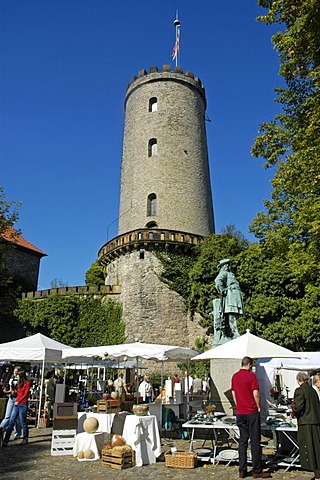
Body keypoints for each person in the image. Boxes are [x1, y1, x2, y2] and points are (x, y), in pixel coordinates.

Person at [231, 357, 271, 478]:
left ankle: (242, 470)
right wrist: (258, 406)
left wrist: (238, 405)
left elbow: (233, 393)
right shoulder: (251, 376)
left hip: (240, 412)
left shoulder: (234, 376)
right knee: (255, 441)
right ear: (248, 365)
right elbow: (256, 393)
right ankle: (256, 470)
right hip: (251, 412)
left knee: (242, 441)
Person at [293, 372, 320, 480]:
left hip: (306, 422)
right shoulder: (312, 390)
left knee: (310, 448)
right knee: (316, 448)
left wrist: (294, 412)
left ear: (299, 380)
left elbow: (298, 406)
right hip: (315, 421)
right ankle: (317, 473)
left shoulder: (300, 390)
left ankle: (316, 471)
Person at [213, 258, 243, 344]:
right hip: (230, 295)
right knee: (231, 314)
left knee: (233, 314)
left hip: (234, 295)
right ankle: (235, 332)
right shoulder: (223, 273)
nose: (228, 266)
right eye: (227, 264)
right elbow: (218, 281)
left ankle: (232, 332)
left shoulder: (230, 274)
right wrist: (222, 290)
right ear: (225, 266)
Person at [2, 369, 31, 446]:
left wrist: (19, 400)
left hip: (23, 404)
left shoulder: (27, 383)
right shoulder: (19, 383)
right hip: (16, 403)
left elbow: (25, 394)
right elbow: (18, 392)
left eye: (18, 375)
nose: (16, 377)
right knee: (11, 420)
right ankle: (6, 440)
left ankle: (25, 438)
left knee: (23, 421)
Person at [0, 367, 22, 443]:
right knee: (7, 416)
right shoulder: (11, 380)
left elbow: (21, 391)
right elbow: (10, 389)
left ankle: (17, 433)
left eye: (16, 372)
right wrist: (8, 392)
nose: (15, 373)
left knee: (16, 418)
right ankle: (1, 428)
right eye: (14, 371)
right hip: (11, 398)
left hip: (18, 399)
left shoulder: (21, 381)